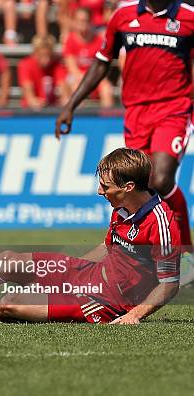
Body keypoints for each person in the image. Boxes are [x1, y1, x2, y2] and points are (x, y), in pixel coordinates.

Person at [0, 148, 182, 324]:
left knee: (9, 304)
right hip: (89, 275)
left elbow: (169, 285)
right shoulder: (122, 207)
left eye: (106, 187)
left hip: (111, 303)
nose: (99, 192)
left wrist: (134, 316)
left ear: (129, 187)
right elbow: (109, 248)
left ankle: (34, 308)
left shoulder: (162, 223)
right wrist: (68, 271)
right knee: (7, 262)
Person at [56, 0, 193, 253]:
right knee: (141, 185)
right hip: (136, 114)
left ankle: (187, 252)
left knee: (161, 179)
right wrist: (71, 105)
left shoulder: (188, 17)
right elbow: (101, 62)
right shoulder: (123, 14)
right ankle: (141, 252)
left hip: (173, 109)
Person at [62, 8, 113, 108]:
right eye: (79, 20)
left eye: (84, 20)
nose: (82, 23)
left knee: (106, 88)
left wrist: (93, 79)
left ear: (90, 22)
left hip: (94, 76)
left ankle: (105, 120)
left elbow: (102, 65)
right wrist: (85, 80)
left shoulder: (98, 40)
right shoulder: (70, 40)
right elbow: (72, 68)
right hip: (76, 77)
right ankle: (78, 119)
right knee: (76, 88)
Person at [17, 34, 68, 110]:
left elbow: (63, 87)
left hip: (51, 110)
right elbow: (29, 96)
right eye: (42, 55)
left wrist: (66, 100)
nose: (46, 60)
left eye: (48, 55)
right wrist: (38, 102)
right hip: (29, 111)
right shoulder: (25, 65)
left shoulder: (57, 65)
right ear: (35, 53)